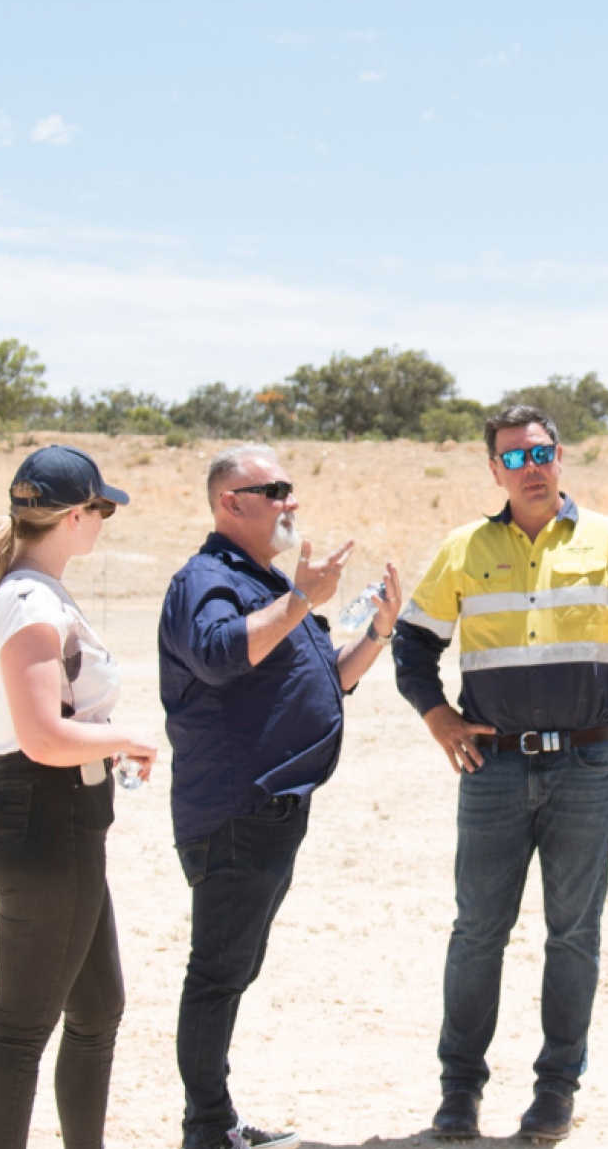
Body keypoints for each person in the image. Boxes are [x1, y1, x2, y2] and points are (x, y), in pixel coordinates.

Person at [393, 405, 608, 1144]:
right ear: (494, 469)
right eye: (514, 458)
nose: (530, 468)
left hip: (589, 765)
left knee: (573, 935)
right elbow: (411, 644)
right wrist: (437, 716)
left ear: (559, 458)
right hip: (493, 769)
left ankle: (555, 1092)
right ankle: (458, 1095)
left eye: (541, 454)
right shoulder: (465, 548)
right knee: (477, 933)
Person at [158, 443, 404, 1149]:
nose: (292, 500)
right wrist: (302, 598)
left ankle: (218, 1119)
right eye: (276, 489)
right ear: (230, 503)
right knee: (217, 973)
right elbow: (217, 652)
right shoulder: (206, 579)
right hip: (236, 811)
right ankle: (206, 1129)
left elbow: (330, 678)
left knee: (233, 970)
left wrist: (378, 631)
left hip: (269, 814)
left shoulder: (262, 583)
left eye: (291, 489)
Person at [0, 444, 162, 1149]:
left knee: (97, 1009)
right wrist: (127, 735)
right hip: (44, 816)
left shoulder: (32, 591)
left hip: (60, 820)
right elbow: (44, 738)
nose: (104, 520)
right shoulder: (30, 599)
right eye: (101, 508)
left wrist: (111, 742)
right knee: (21, 1031)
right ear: (76, 515)